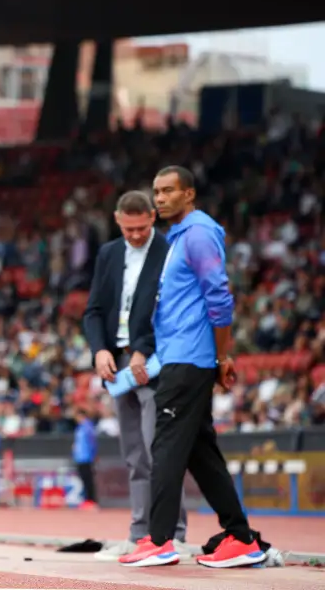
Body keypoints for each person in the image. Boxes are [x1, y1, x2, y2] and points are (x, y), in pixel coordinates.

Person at [120, 166, 265, 569]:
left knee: (165, 446)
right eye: (156, 192)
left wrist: (221, 357)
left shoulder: (198, 233)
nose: (160, 198)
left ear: (189, 194)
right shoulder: (179, 236)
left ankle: (160, 539)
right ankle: (240, 537)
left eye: (169, 191)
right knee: (201, 452)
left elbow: (219, 296)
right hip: (180, 355)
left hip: (189, 359)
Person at [81, 190, 188, 558]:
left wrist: (145, 347)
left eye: (142, 228)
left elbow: (171, 307)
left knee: (160, 451)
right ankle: (139, 531)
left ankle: (173, 533)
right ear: (117, 221)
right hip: (118, 367)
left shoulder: (169, 251)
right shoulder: (109, 253)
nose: (137, 235)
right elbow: (94, 310)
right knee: (134, 456)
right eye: (129, 229)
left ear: (153, 219)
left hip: (156, 363)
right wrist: (99, 351)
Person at [72, 408, 98, 510]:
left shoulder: (88, 427)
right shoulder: (80, 427)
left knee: (88, 480)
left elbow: (92, 442)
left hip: (86, 457)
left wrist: (93, 455)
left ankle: (91, 500)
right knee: (83, 479)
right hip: (80, 457)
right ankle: (87, 499)